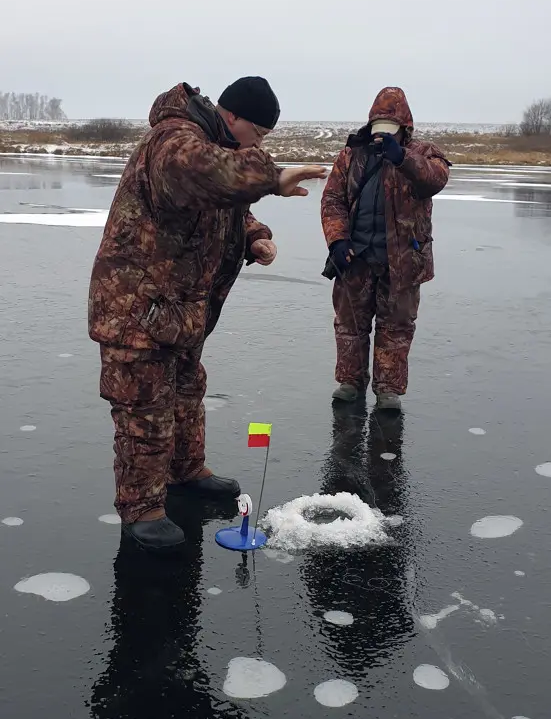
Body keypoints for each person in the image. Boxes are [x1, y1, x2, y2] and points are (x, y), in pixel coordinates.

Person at [88, 76, 325, 551]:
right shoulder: (173, 141)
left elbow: (223, 206)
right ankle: (142, 509)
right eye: (258, 131)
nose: (260, 142)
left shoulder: (212, 147)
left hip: (178, 312)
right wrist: (271, 178)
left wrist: (253, 234)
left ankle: (185, 472)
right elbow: (204, 175)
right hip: (138, 307)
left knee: (186, 392)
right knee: (144, 407)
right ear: (232, 117)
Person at [321, 86, 450, 409]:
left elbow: (435, 179)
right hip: (356, 258)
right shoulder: (351, 155)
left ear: (403, 126)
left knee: (396, 328)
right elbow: (332, 200)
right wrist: (337, 240)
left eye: (388, 127)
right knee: (350, 326)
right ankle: (350, 382)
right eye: (377, 126)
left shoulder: (423, 153)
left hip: (403, 262)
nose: (382, 133)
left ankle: (388, 391)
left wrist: (402, 158)